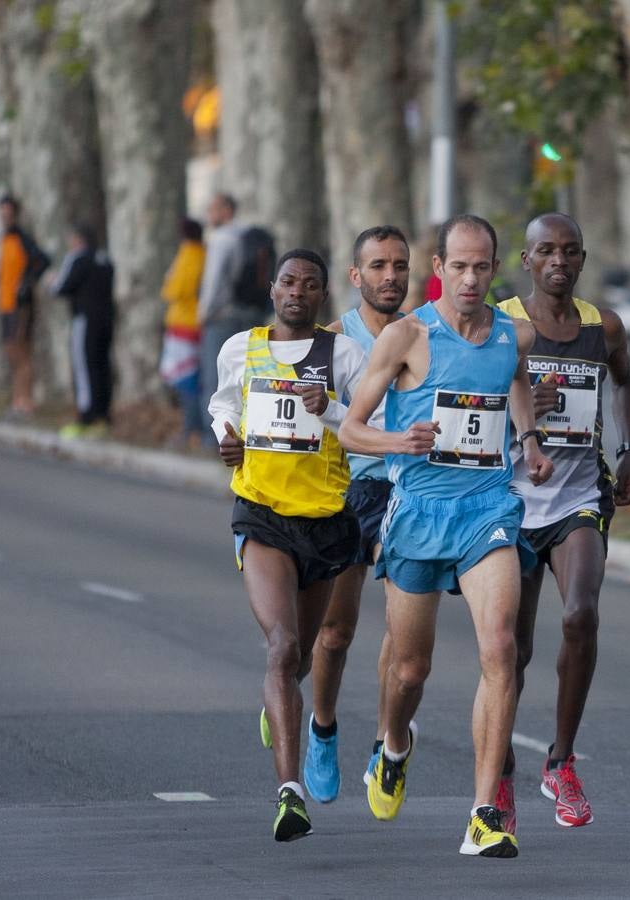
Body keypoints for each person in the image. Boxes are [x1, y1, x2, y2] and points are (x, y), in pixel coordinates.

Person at [340, 214, 553, 859]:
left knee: (501, 648)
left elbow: (514, 384)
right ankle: (395, 743)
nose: (469, 278)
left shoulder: (512, 336)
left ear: (495, 270)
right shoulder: (407, 337)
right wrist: (398, 440)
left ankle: (486, 811)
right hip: (419, 513)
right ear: (439, 268)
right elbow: (350, 429)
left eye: (481, 267)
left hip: (487, 509)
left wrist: (530, 440)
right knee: (410, 668)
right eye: (457, 266)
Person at [208, 249, 367, 842]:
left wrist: (332, 412)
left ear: (322, 296)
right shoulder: (240, 348)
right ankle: (289, 792)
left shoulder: (342, 356)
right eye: (287, 281)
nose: (297, 291)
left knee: (299, 659)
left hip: (324, 522)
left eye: (310, 285)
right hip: (263, 514)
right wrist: (226, 434)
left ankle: (281, 704)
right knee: (280, 647)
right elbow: (225, 401)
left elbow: (366, 426)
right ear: (272, 289)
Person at [494, 213, 630, 832]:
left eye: (571, 251)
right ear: (526, 260)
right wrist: (519, 412)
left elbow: (627, 384)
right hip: (505, 499)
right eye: (546, 251)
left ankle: (560, 760)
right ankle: (498, 773)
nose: (559, 260)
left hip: (578, 495)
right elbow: (460, 401)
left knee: (581, 615)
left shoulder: (602, 326)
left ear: (583, 259)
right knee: (510, 651)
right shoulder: (499, 323)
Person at [302, 225, 409, 804]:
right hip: (347, 492)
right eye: (378, 266)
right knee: (337, 631)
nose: (390, 276)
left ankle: (384, 742)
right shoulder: (332, 340)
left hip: (409, 491)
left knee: (402, 626)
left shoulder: (424, 334)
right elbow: (304, 422)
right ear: (355, 276)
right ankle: (322, 726)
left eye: (399, 265)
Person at [198, 193, 262, 429]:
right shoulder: (249, 235)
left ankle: (213, 436)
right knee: (247, 376)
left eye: (212, 209)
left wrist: (203, 314)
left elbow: (213, 281)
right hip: (251, 315)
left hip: (222, 317)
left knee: (216, 378)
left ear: (226, 210)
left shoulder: (221, 238)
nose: (209, 215)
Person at [53, 224, 115, 439]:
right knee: (102, 366)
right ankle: (104, 416)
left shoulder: (78, 258)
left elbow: (60, 287)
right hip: (107, 320)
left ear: (79, 240)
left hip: (85, 320)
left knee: (84, 367)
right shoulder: (105, 259)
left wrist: (51, 280)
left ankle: (86, 417)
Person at [0, 195, 48, 419]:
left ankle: (26, 402)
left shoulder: (23, 238)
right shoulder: (4, 238)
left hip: (20, 306)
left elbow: (43, 260)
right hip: (4, 303)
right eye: (2, 213)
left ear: (15, 214)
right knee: (11, 353)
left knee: (22, 352)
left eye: (8, 213)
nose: (5, 216)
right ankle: (17, 400)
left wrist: (26, 283)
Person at [159, 218, 206, 449]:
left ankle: (192, 429)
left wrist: (168, 284)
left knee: (186, 379)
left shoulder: (190, 254)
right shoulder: (201, 253)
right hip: (190, 323)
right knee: (189, 378)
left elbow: (175, 289)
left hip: (185, 324)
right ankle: (191, 428)